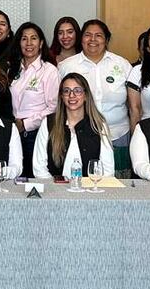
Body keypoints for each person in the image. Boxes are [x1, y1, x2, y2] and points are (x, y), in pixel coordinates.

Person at [57, 19, 133, 176]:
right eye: (87, 35)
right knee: (86, 180)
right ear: (81, 38)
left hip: (118, 134)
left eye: (98, 35)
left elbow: (133, 105)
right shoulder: (67, 66)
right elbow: (58, 102)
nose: (93, 39)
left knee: (119, 182)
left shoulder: (122, 64)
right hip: (81, 136)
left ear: (106, 40)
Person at [32, 73, 115, 179]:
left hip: (89, 191)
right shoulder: (48, 123)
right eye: (66, 91)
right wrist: (56, 190)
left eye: (77, 91)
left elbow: (108, 171)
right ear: (61, 96)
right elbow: (39, 168)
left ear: (86, 95)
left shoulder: (98, 125)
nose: (72, 95)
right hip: (55, 190)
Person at [6, 22, 59, 177]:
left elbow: (54, 107)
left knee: (32, 178)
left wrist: (26, 124)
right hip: (14, 131)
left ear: (41, 43)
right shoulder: (14, 69)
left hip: (36, 133)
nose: (29, 43)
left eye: (34, 38)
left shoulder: (49, 70)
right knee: (15, 177)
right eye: (24, 39)